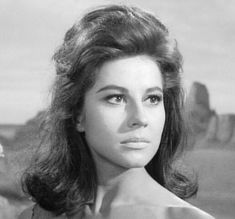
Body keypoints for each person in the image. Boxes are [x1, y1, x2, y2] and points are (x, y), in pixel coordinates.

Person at [19, 4, 215, 219]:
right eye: (117, 98)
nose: (140, 118)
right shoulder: (35, 215)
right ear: (77, 114)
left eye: (152, 99)